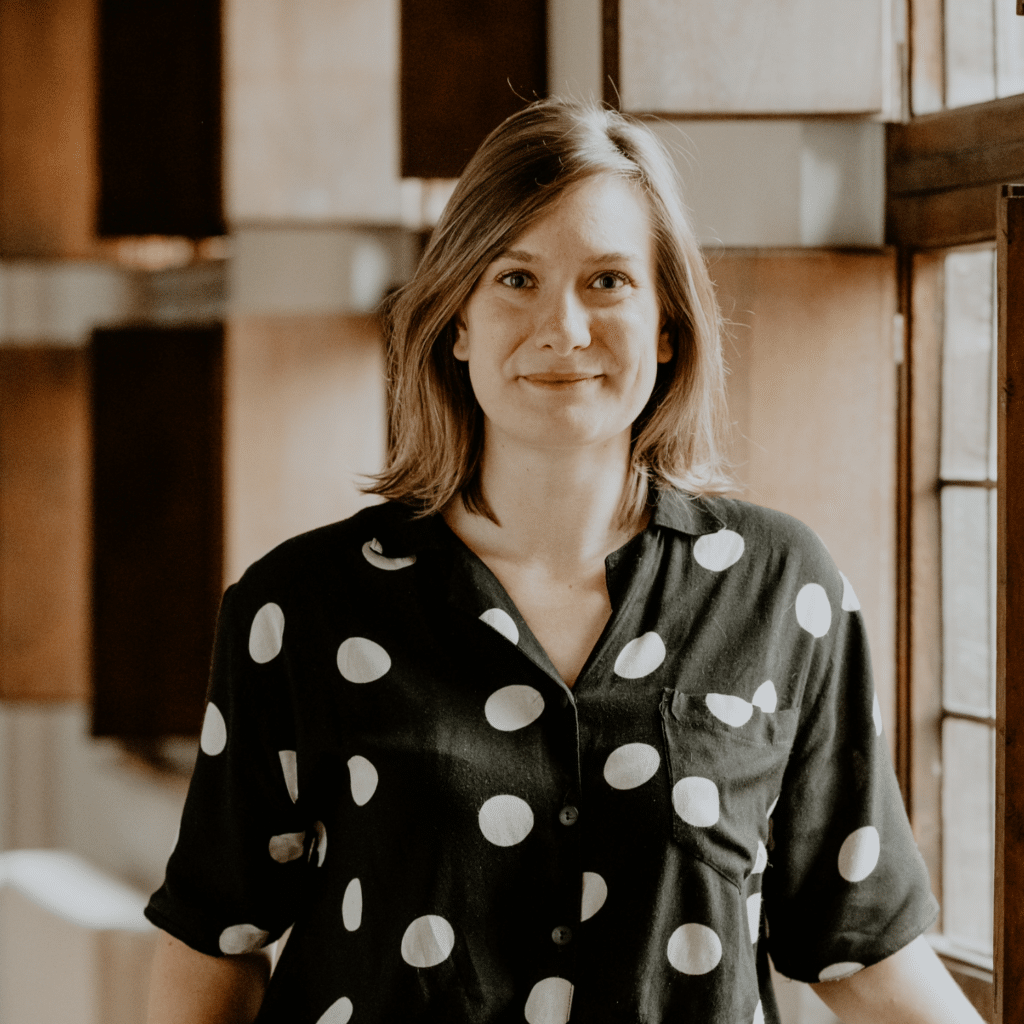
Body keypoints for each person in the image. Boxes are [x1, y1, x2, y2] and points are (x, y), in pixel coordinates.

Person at [145, 99, 984, 1024]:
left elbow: (863, 954)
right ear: (456, 323)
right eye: (515, 278)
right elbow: (212, 945)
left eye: (609, 281)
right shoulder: (298, 608)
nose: (564, 328)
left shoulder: (783, 591)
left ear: (668, 328)